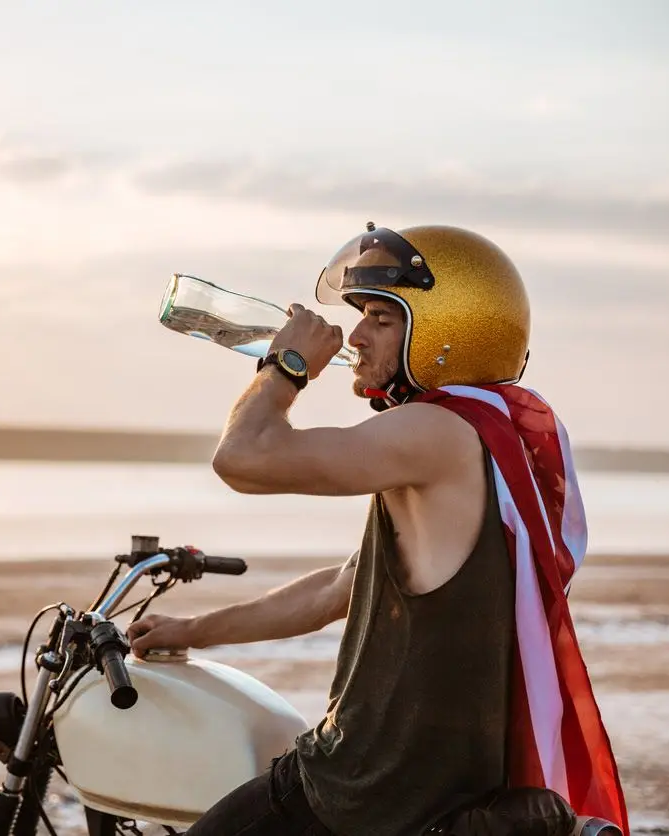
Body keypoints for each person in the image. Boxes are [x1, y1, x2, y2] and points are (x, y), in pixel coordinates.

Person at [127, 223, 629, 836]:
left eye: (382, 319)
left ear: (445, 331)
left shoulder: (436, 433)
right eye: (360, 314)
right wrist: (192, 630)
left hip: (359, 792)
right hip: (427, 795)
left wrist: (285, 365)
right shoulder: (497, 443)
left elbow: (243, 457)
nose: (355, 335)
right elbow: (337, 591)